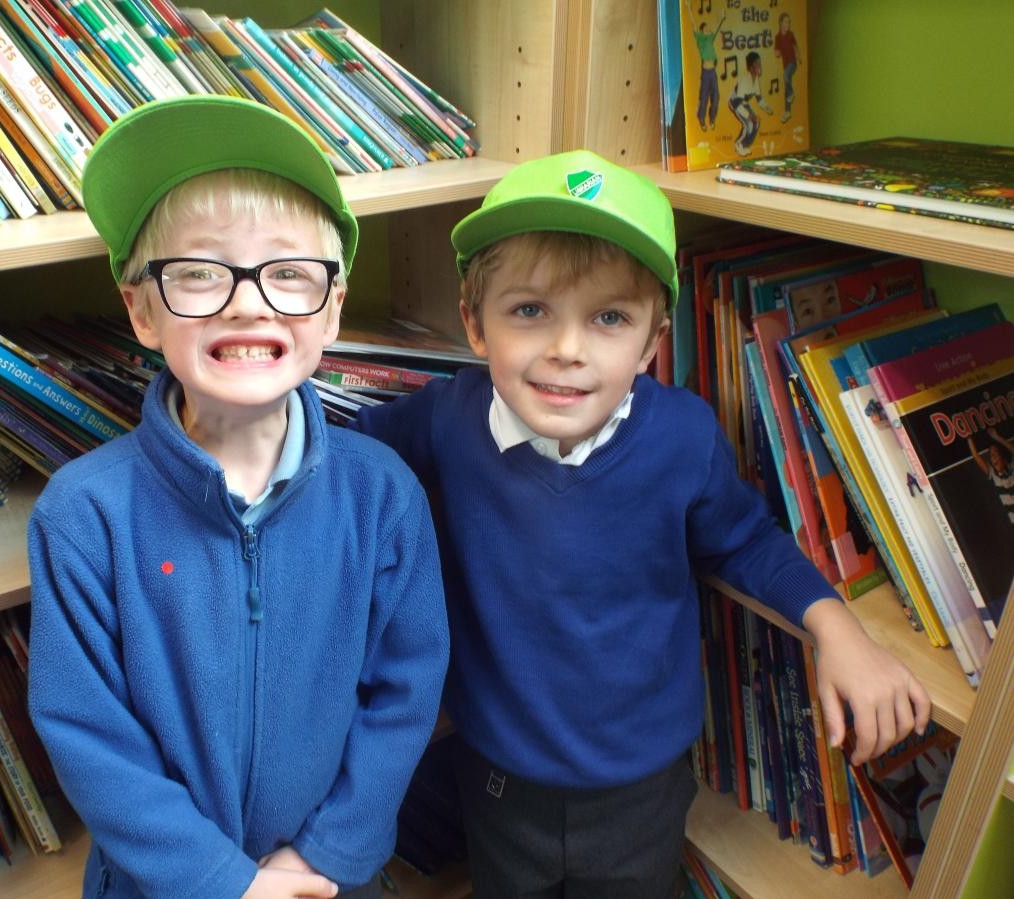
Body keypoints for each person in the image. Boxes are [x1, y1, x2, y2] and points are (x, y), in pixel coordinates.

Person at [353, 149, 931, 897]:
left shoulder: (682, 437)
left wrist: (837, 627)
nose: (566, 348)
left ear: (652, 341)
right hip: (496, 777)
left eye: (609, 317)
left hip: (643, 788)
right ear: (475, 323)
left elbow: (747, 540)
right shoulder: (445, 418)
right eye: (529, 310)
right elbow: (335, 452)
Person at [26, 95, 450, 899]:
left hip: (325, 879)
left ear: (331, 308)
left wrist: (328, 853)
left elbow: (406, 691)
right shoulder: (83, 517)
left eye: (289, 273)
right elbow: (88, 734)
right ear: (142, 308)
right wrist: (222, 882)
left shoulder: (383, 496)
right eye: (198, 271)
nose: (247, 300)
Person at [685, 0, 727, 132]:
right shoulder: (701, 39)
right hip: (705, 73)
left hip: (713, 73)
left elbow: (716, 27)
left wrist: (720, 19)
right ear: (703, 31)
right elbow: (693, 25)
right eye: (707, 29)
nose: (709, 30)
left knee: (716, 97)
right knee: (703, 99)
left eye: (709, 29)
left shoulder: (710, 38)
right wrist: (689, 9)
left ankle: (712, 118)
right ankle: (701, 118)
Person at [728, 51, 773, 156]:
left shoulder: (756, 79)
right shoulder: (744, 81)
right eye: (757, 64)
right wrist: (749, 116)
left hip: (744, 103)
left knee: (756, 122)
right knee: (748, 124)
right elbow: (738, 104)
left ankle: (744, 146)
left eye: (759, 63)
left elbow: (759, 99)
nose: (759, 66)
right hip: (735, 103)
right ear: (751, 67)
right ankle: (737, 144)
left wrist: (767, 108)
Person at [773, 11, 801, 124]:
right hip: (785, 65)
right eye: (785, 22)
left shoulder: (791, 34)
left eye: (788, 22)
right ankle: (788, 111)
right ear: (780, 23)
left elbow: (795, 46)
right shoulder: (778, 37)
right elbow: (776, 51)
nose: (787, 24)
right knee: (786, 85)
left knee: (785, 76)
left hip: (792, 63)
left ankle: (792, 93)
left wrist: (799, 56)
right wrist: (777, 53)